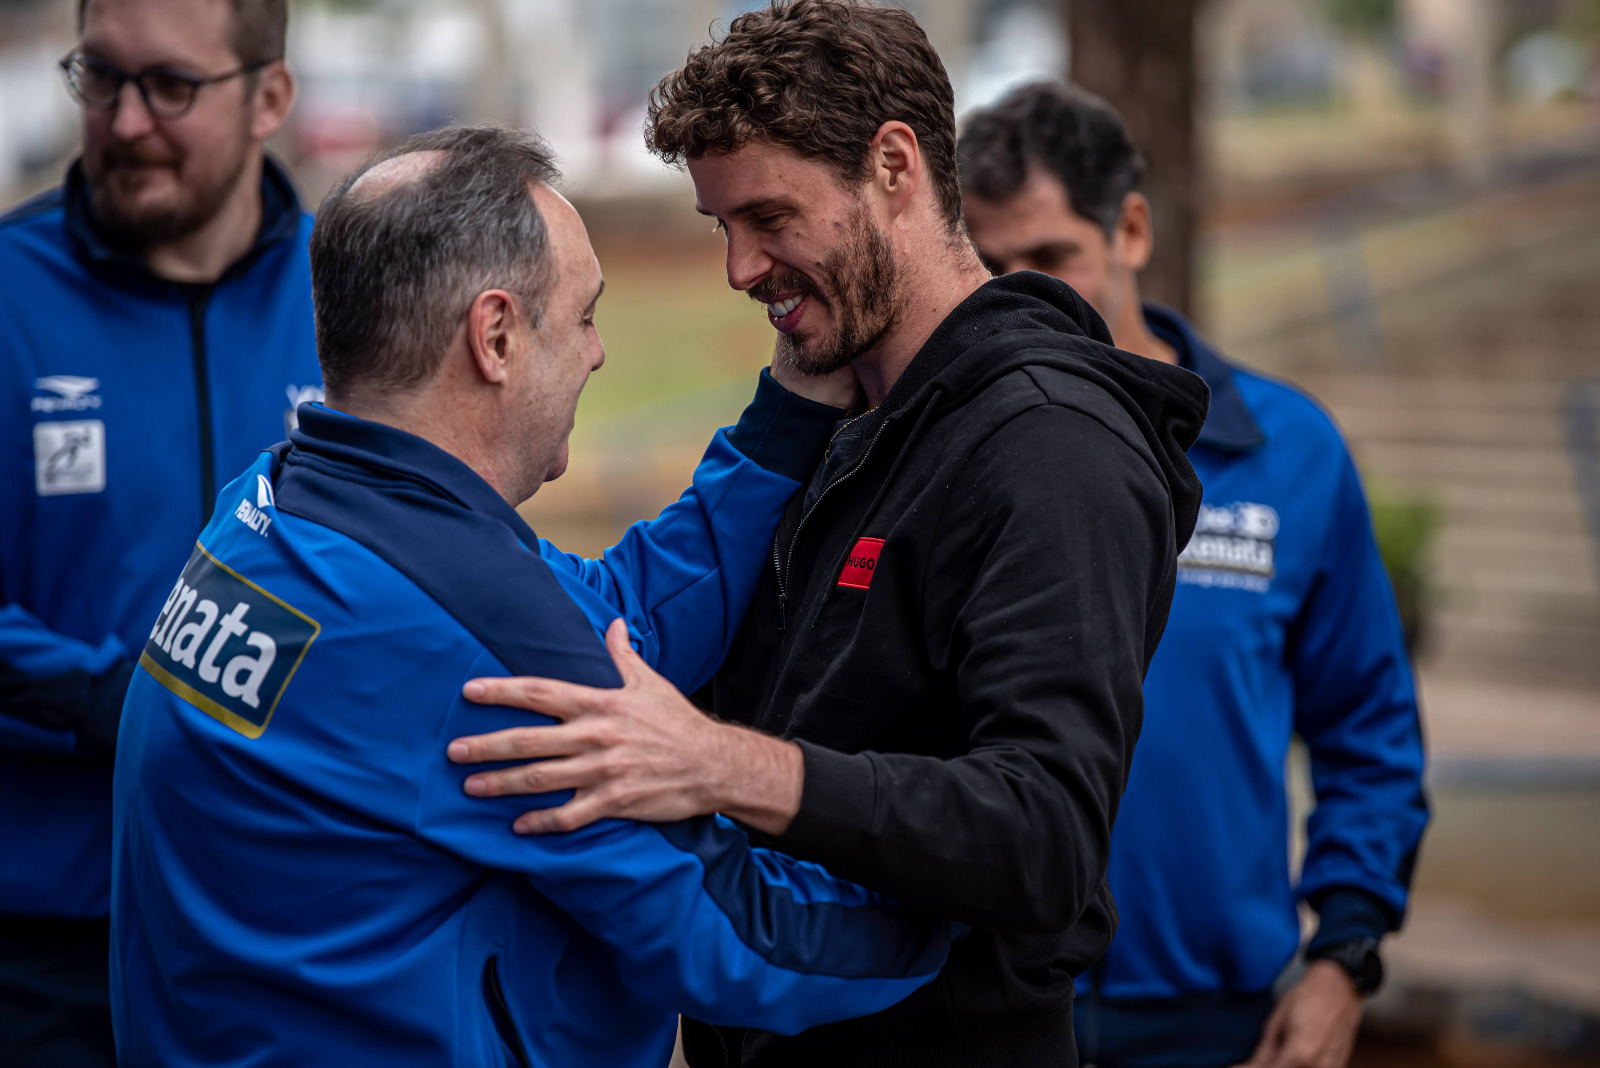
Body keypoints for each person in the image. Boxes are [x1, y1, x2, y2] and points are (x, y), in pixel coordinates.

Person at [444, 4, 1209, 1065]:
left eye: (769, 218)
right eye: (722, 227)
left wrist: (720, 765)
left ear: (894, 165)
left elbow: (1044, 840)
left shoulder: (1049, 446)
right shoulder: (838, 408)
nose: (739, 268)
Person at [110, 123, 953, 1068]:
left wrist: (786, 417)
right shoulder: (458, 626)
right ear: (497, 335)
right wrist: (977, 899)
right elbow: (737, 931)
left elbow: (607, 615)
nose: (596, 353)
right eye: (585, 315)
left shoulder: (279, 510)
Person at [957, 81, 1430, 1068]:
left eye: (1049, 259)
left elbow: (1369, 731)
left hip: (1216, 1025)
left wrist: (1344, 958)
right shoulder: (932, 456)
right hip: (972, 1010)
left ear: (1129, 230)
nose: (1019, 299)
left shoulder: (1288, 452)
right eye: (989, 268)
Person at [0, 0, 313, 1060]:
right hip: (50, 947)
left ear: (270, 95)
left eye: (171, 87)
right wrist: (112, 698)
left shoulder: (355, 298)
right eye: (101, 77)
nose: (127, 121)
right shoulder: (8, 294)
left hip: (297, 937)